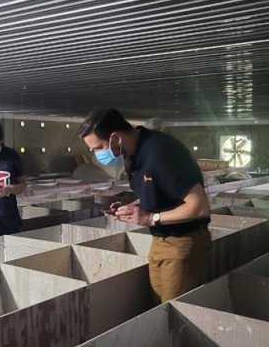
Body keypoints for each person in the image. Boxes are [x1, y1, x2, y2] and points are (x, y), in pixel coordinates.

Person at [78, 108, 211, 303]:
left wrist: (150, 218)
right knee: (159, 306)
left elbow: (199, 207)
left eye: (98, 148)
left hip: (183, 241)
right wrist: (130, 206)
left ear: (116, 138)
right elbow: (158, 191)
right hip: (159, 240)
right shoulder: (132, 155)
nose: (97, 155)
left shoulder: (162, 152)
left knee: (174, 312)